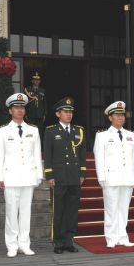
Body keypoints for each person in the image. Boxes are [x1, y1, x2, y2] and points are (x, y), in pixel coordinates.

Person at [0, 93, 43, 258]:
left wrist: (39, 175)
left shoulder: (33, 130)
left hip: (28, 176)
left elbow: (37, 154)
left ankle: (24, 243)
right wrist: (0, 177)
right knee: (11, 212)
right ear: (10, 110)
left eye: (22, 107)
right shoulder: (2, 131)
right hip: (11, 177)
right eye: (16, 107)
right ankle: (12, 245)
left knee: (25, 212)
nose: (20, 110)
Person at [44, 97, 87, 254]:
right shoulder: (51, 131)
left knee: (72, 211)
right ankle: (58, 242)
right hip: (59, 177)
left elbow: (82, 155)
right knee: (59, 210)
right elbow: (48, 155)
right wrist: (49, 175)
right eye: (65, 112)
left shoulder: (79, 131)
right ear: (58, 114)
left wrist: (82, 173)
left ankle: (69, 241)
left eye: (70, 112)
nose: (69, 115)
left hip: (74, 177)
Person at [93, 101, 134, 248]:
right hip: (111, 178)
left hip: (127, 177)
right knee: (111, 209)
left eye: (122, 115)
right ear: (110, 117)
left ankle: (123, 237)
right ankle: (111, 238)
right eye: (117, 115)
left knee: (123, 209)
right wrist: (101, 178)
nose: (120, 117)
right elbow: (99, 157)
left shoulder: (131, 135)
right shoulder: (102, 136)